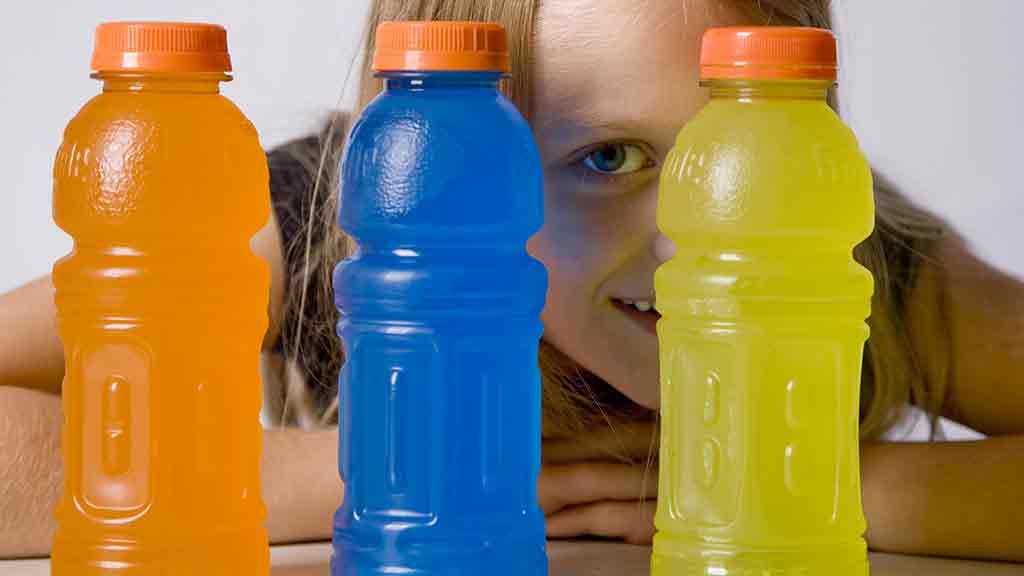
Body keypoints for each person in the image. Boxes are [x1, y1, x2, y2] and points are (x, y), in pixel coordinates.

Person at [2, 0, 1022, 562]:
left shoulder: (856, 259)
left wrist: (807, 490)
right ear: (453, 167)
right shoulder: (319, 222)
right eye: (610, 160)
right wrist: (380, 478)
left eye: (729, 151)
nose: (695, 237)